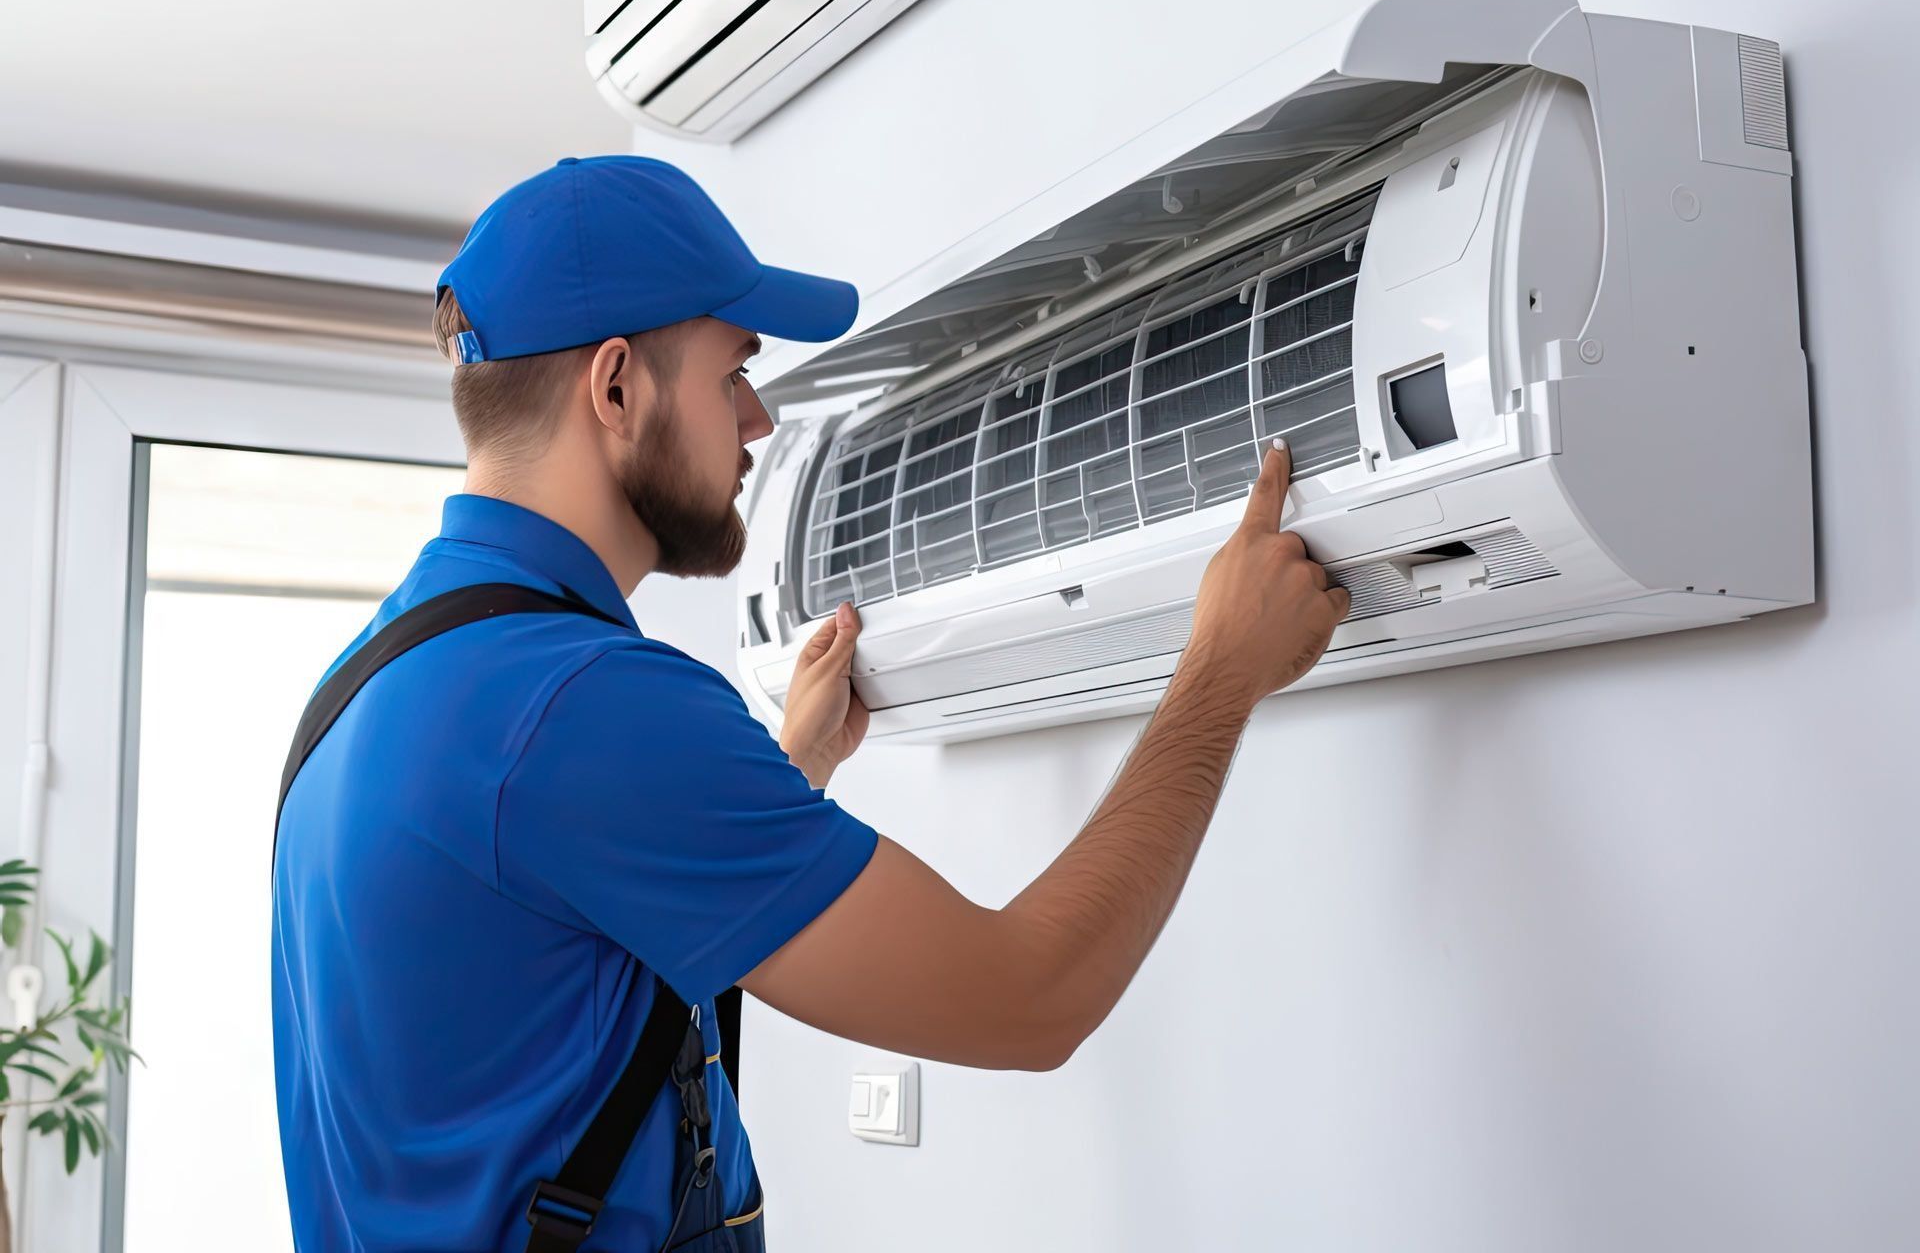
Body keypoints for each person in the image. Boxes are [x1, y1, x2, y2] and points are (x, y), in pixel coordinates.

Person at [270, 155, 1350, 1253]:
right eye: (732, 371)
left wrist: (785, 771)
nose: (756, 416)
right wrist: (1221, 668)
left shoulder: (373, 684)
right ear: (614, 387)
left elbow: (544, 997)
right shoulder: (585, 706)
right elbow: (1031, 996)